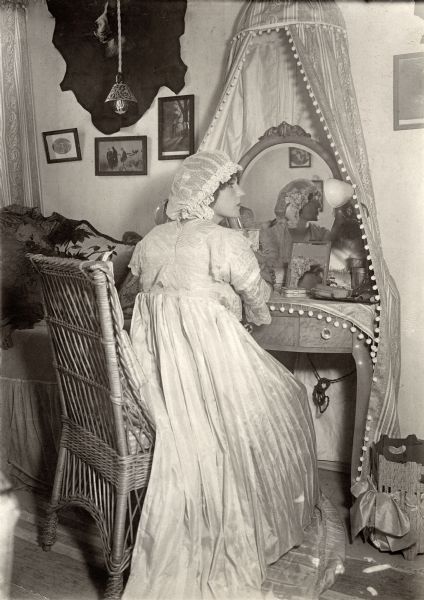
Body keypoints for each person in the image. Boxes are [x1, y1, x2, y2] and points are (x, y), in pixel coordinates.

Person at [124, 150, 344, 600]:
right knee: (288, 396)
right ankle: (269, 514)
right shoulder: (223, 240)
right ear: (209, 194)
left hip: (158, 377)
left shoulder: (151, 241)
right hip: (208, 363)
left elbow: (140, 296)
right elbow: (259, 302)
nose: (241, 193)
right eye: (232, 186)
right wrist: (244, 307)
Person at [258, 179, 336, 284]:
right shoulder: (270, 234)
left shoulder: (322, 234)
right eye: (314, 201)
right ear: (297, 206)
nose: (319, 206)